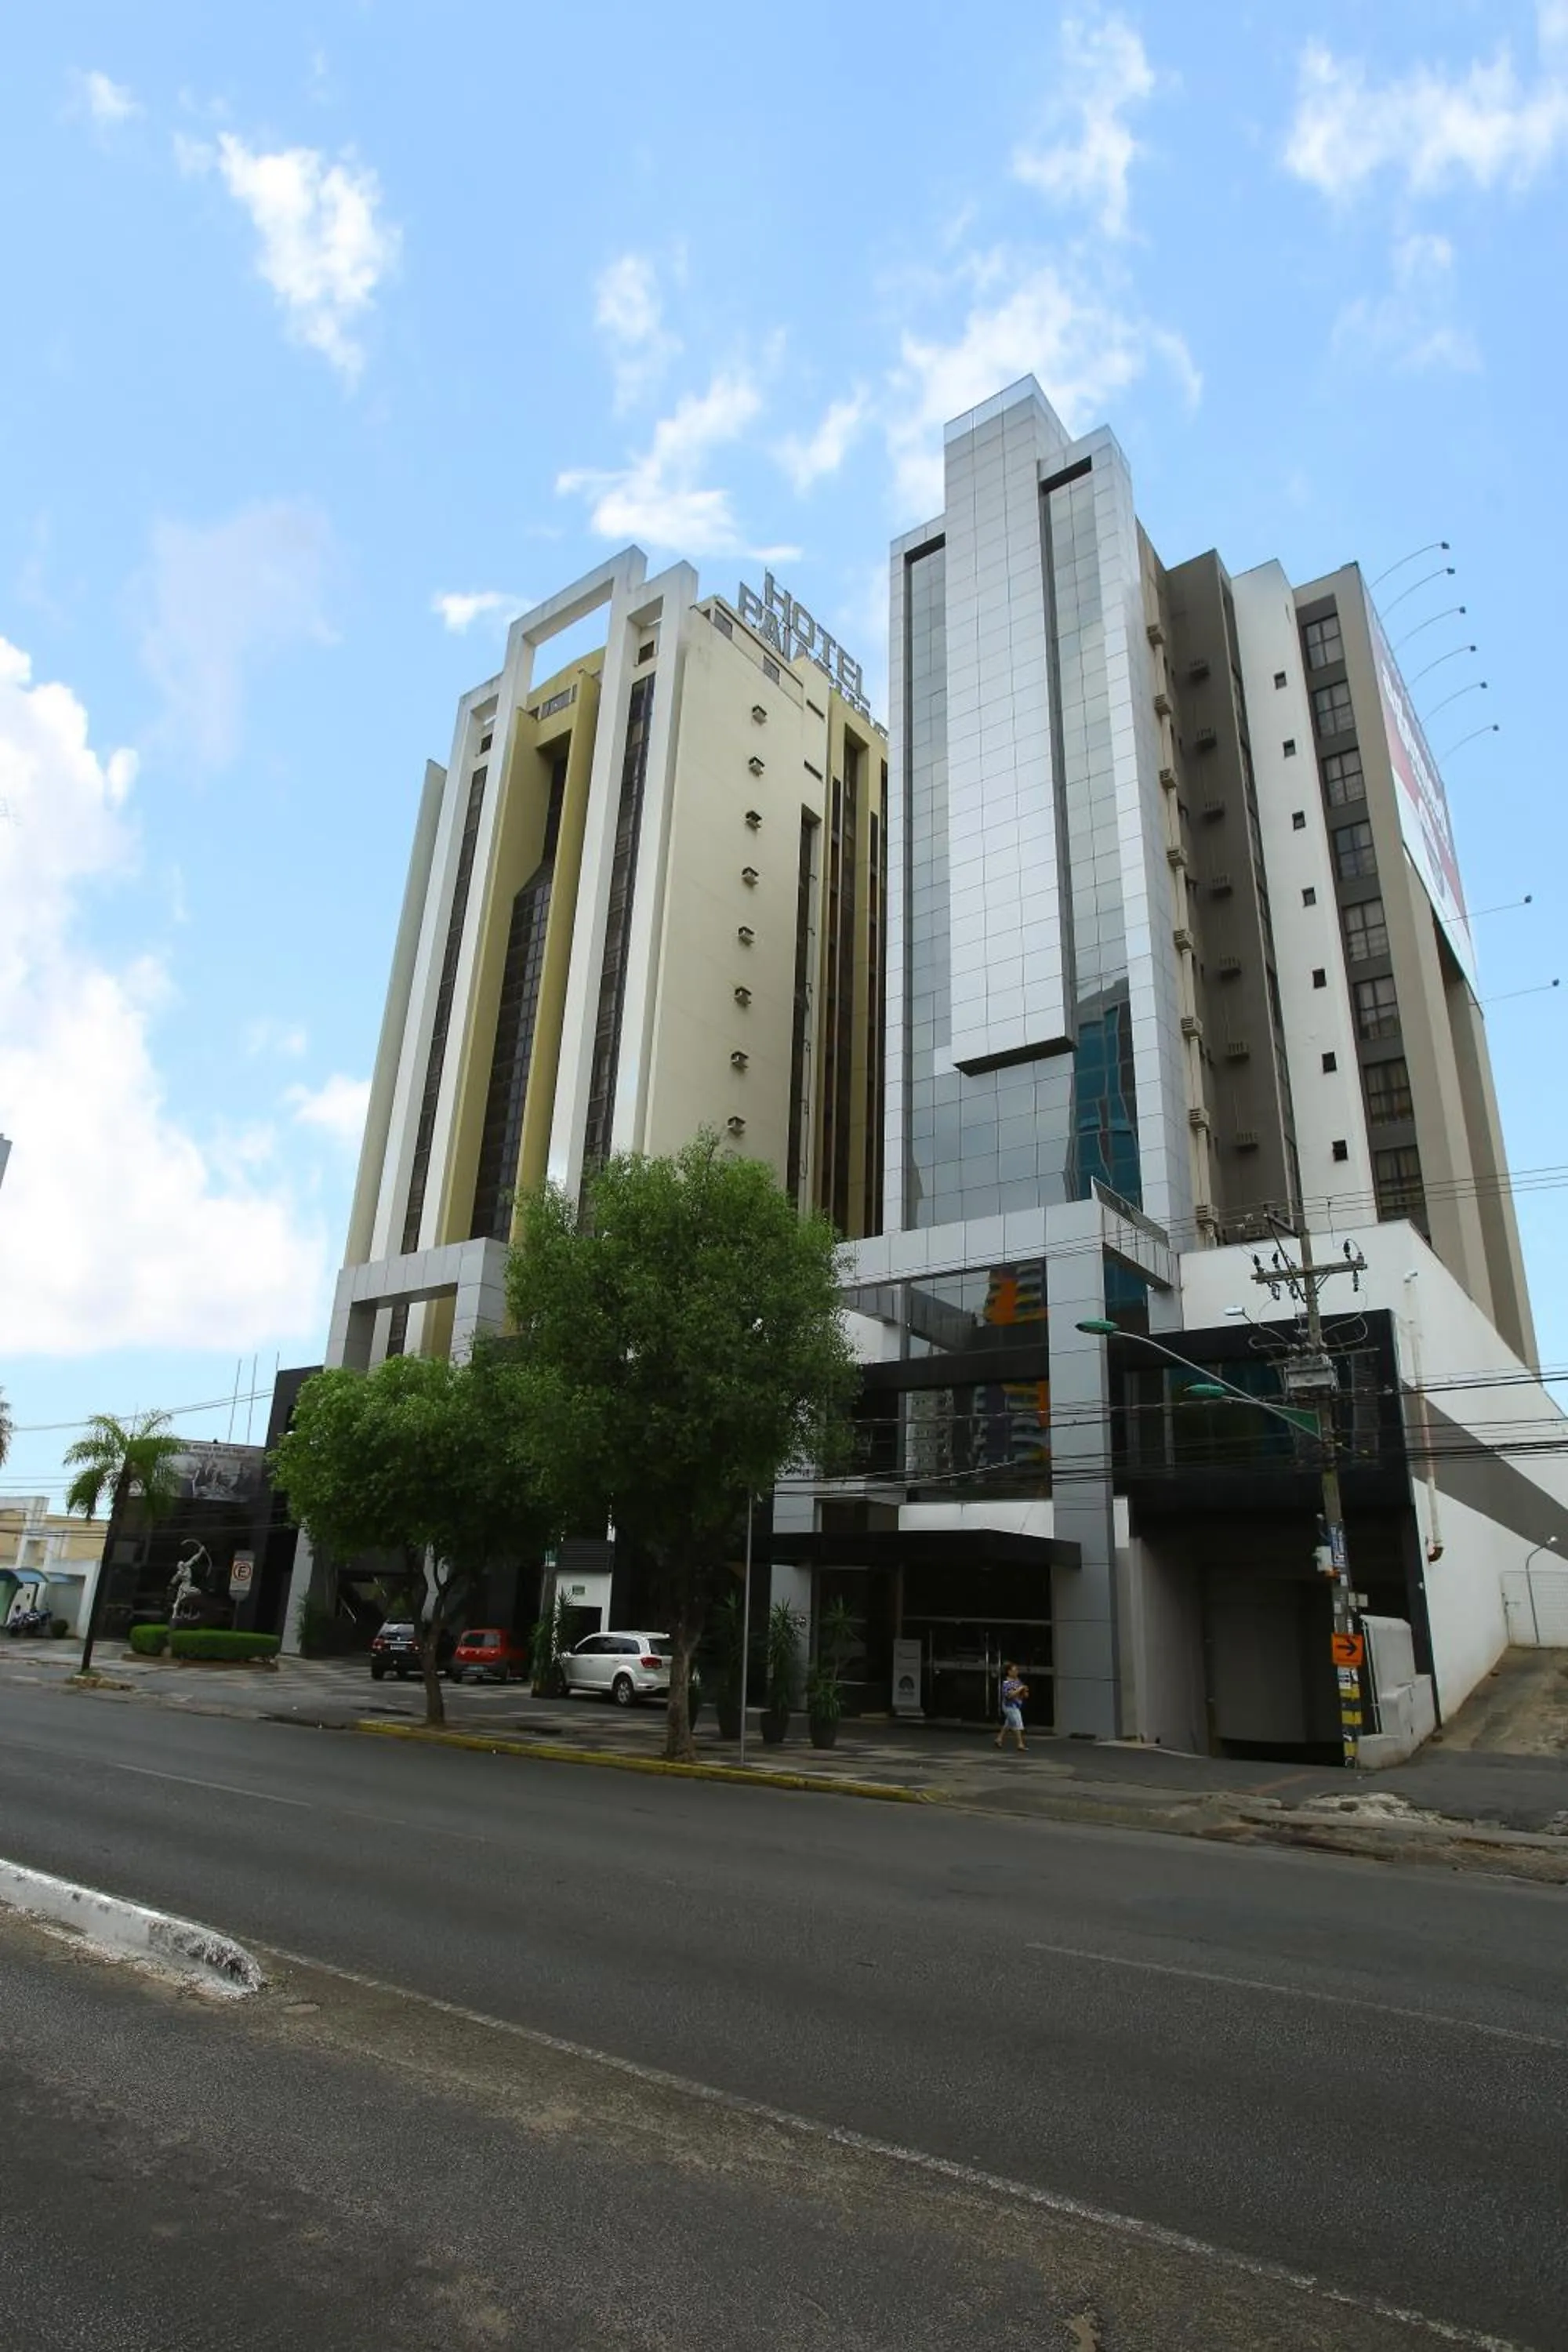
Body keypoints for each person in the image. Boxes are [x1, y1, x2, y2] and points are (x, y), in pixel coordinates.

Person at [995, 1661, 1028, 1753]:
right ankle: (1020, 1744)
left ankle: (999, 1739)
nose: (1016, 1672)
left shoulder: (1017, 1681)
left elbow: (1023, 1695)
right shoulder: (1007, 1683)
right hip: (1010, 1706)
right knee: (1017, 1724)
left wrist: (1024, 1691)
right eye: (1014, 1670)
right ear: (1009, 1672)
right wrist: (1020, 1689)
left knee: (1008, 1723)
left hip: (1017, 1705)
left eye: (1017, 1670)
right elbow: (1009, 1696)